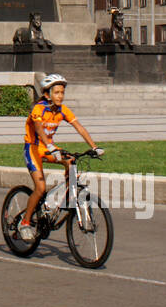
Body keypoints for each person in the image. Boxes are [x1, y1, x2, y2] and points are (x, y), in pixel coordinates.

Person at [15, 74, 103, 242]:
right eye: (56, 92)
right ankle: (25, 222)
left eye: (62, 92)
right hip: (33, 148)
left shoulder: (63, 110)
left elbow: (79, 127)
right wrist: (50, 146)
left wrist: (94, 146)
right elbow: (39, 129)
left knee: (71, 160)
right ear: (47, 94)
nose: (60, 96)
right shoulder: (38, 108)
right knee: (40, 188)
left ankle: (64, 197)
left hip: (50, 148)